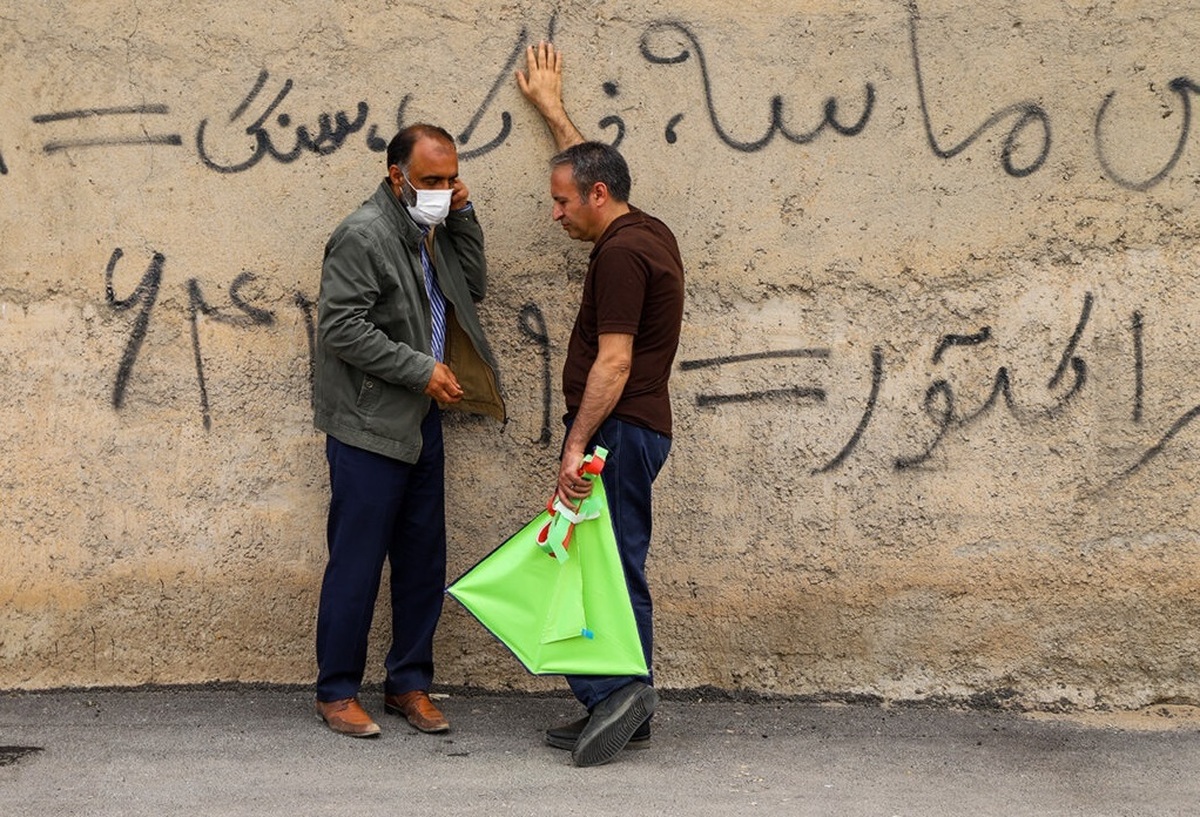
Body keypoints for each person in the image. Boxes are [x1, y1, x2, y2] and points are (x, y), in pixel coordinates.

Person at [517, 42, 685, 767]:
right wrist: (554, 112)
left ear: (596, 197)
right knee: (616, 563)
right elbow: (586, 166)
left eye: (561, 201)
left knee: (578, 567)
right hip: (637, 429)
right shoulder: (644, 229)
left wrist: (574, 446)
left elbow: (613, 360)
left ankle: (615, 694)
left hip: (615, 429)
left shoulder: (620, 254)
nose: (554, 214)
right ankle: (629, 704)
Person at [311, 124, 505, 738]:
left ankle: (409, 684)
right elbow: (341, 329)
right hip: (371, 424)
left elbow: (469, 288)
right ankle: (337, 691)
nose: (442, 191)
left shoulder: (430, 230)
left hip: (420, 422)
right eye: (431, 182)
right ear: (397, 176)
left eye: (451, 181)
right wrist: (421, 370)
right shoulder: (363, 235)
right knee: (359, 563)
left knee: (423, 560)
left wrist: (463, 217)